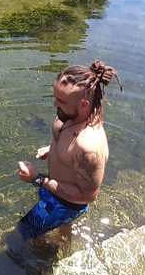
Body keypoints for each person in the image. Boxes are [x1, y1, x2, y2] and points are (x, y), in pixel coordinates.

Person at [16, 60, 120, 240]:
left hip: (64, 204)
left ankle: (43, 258)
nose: (55, 105)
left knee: (22, 234)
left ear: (84, 105)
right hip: (53, 189)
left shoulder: (89, 148)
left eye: (61, 101)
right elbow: (69, 145)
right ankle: (64, 239)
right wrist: (54, 149)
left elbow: (86, 196)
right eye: (55, 97)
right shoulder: (70, 114)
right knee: (59, 229)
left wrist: (37, 178)